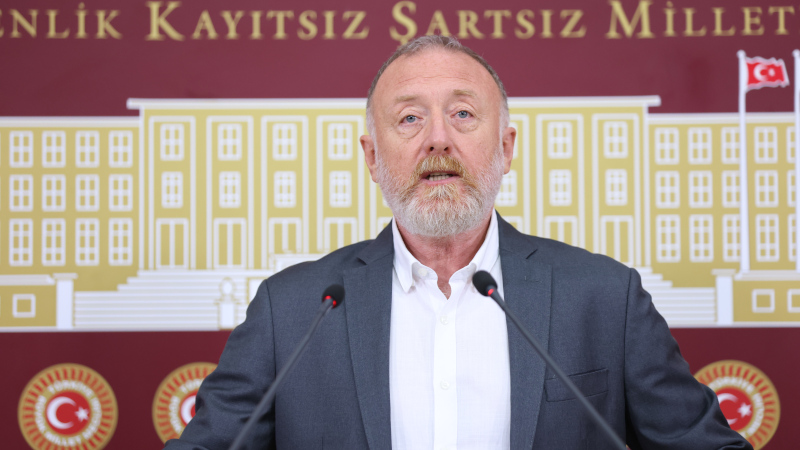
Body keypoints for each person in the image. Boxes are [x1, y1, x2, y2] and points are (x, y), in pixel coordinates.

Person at [166, 36, 752, 449]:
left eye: (464, 114)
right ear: (372, 157)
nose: (438, 139)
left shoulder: (605, 299)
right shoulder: (292, 311)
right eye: (409, 119)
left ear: (506, 148)